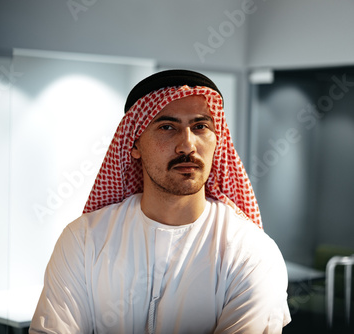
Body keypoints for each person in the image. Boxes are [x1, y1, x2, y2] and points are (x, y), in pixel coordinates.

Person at [29, 70, 291, 333]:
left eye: (200, 127)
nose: (187, 145)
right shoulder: (84, 239)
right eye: (167, 127)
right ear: (134, 144)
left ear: (216, 140)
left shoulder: (251, 251)